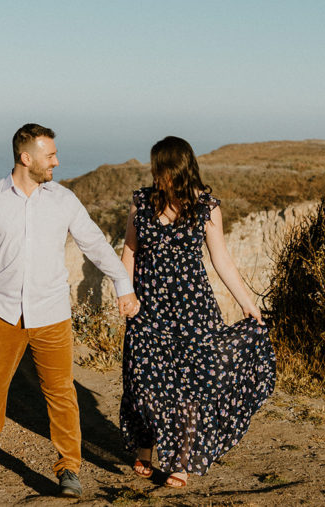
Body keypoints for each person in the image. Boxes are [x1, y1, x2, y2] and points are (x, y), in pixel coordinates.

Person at [0, 123, 140, 498]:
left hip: (52, 313)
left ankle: (68, 469)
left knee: (61, 392)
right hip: (3, 311)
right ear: (26, 158)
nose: (56, 161)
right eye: (50, 155)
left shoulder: (63, 200)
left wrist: (123, 284)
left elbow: (96, 245)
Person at [119, 136, 277, 488]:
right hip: (148, 310)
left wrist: (247, 303)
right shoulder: (140, 203)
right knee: (143, 381)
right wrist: (125, 293)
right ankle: (145, 447)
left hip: (193, 311)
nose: (156, 175)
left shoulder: (206, 206)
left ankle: (181, 461)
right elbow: (129, 252)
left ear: (177, 168)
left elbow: (221, 260)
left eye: (161, 168)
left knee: (190, 388)